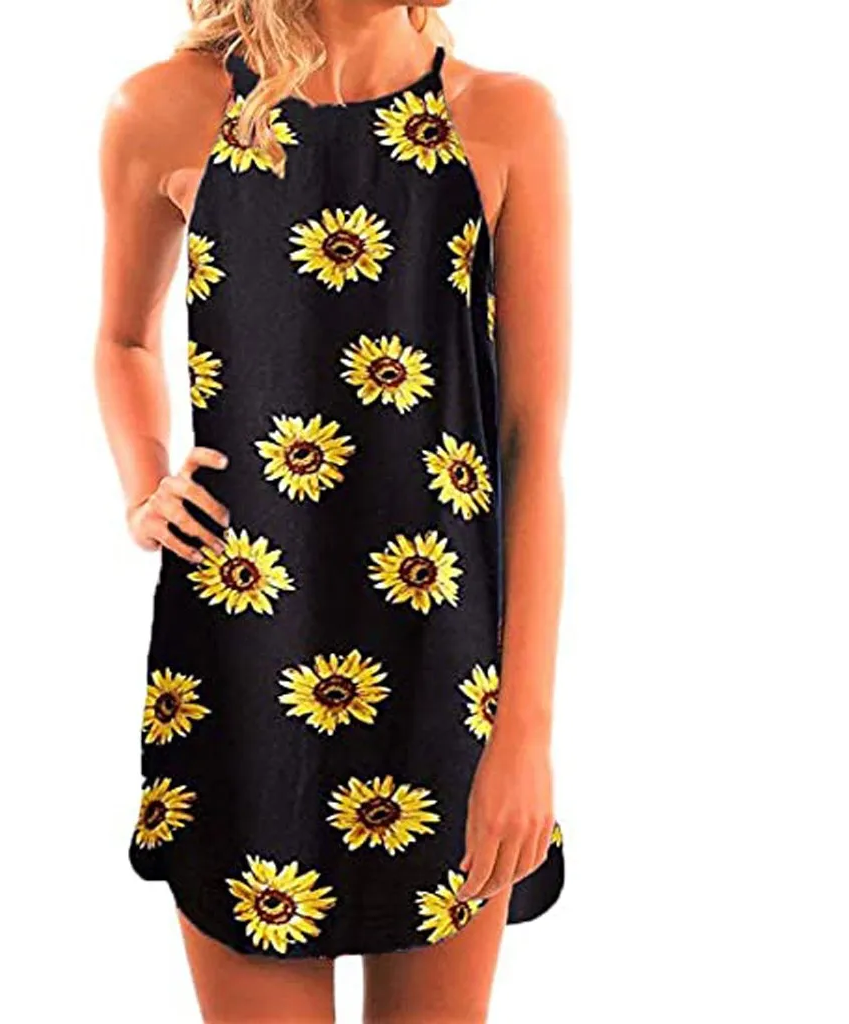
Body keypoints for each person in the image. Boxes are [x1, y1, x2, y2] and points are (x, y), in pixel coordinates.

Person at [95, 2, 569, 1020]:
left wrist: (525, 729)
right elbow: (123, 338)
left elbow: (530, 446)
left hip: (447, 669)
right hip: (240, 654)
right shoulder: (164, 110)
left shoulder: (505, 119)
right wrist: (144, 484)